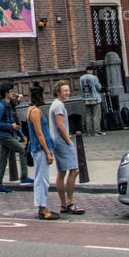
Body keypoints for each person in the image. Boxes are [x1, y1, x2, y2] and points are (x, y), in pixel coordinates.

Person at [0, 84, 32, 193]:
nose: (13, 93)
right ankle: (24, 177)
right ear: (6, 94)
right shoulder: (1, 106)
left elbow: (12, 121)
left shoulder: (8, 105)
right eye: (11, 91)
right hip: (4, 135)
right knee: (22, 150)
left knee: (3, 161)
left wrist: (21, 135)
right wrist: (10, 127)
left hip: (7, 134)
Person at [50, 81, 82, 214]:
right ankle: (69, 202)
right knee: (74, 170)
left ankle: (63, 204)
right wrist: (68, 140)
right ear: (58, 92)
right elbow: (59, 125)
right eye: (65, 91)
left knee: (62, 172)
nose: (68, 93)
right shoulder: (58, 106)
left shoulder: (55, 104)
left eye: (68, 90)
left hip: (56, 142)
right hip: (62, 142)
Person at [26, 84, 58, 220]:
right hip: (39, 149)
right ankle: (42, 208)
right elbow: (40, 133)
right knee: (42, 179)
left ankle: (42, 207)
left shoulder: (30, 110)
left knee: (41, 178)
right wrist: (48, 152)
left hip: (36, 148)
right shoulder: (35, 112)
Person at [78, 65, 104, 135]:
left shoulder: (81, 78)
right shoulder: (94, 77)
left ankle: (89, 131)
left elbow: (81, 88)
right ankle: (96, 130)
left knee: (88, 115)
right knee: (96, 115)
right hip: (95, 98)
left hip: (86, 98)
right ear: (91, 71)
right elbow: (99, 87)